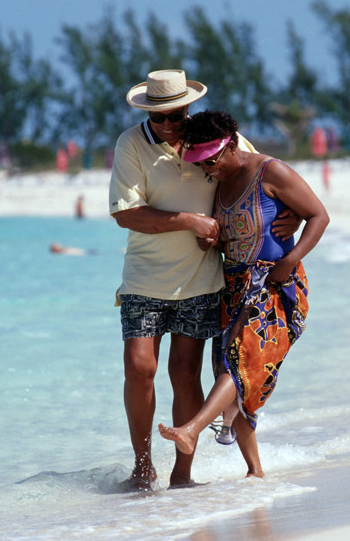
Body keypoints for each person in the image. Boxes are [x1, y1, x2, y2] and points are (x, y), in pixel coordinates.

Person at [109, 71, 298, 491]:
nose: (171, 126)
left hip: (201, 279)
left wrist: (291, 214)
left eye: (177, 115)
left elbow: (261, 172)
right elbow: (125, 213)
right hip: (144, 276)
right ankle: (142, 465)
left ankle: (182, 474)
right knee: (139, 368)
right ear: (148, 116)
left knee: (185, 372)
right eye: (161, 119)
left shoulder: (211, 137)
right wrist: (192, 221)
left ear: (187, 108)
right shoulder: (131, 145)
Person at [158, 110, 329, 479]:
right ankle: (255, 471)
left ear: (232, 145)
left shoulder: (272, 172)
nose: (207, 168)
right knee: (232, 371)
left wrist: (292, 257)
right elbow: (229, 237)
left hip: (275, 286)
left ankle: (191, 430)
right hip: (234, 288)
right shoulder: (218, 183)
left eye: (212, 160)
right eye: (200, 162)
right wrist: (211, 241)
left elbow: (318, 215)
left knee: (238, 363)